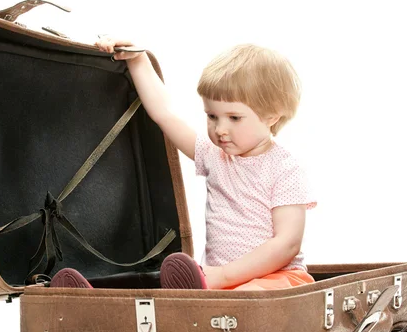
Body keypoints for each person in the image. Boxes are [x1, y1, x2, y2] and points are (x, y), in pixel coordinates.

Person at [51, 37, 317, 291]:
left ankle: (204, 292)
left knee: (248, 299)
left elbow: (287, 244)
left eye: (234, 118)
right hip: (217, 282)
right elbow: (165, 115)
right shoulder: (214, 154)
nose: (220, 129)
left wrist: (223, 276)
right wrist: (138, 60)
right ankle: (95, 300)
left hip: (277, 280)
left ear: (271, 116)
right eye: (212, 116)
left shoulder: (285, 169)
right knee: (175, 300)